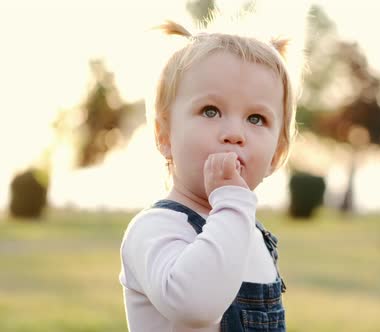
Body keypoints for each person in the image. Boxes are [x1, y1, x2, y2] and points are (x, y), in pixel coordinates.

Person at [118, 18, 299, 332]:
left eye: (256, 118)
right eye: (210, 111)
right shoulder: (155, 228)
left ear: (277, 155)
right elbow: (195, 306)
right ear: (164, 135)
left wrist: (234, 208)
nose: (233, 134)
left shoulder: (249, 233)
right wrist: (232, 202)